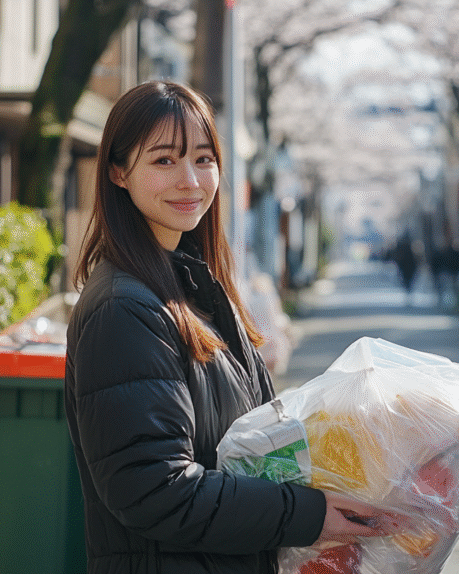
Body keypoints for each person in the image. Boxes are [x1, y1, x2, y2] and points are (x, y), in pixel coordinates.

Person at [64, 80, 387, 574]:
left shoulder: (192, 286)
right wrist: (306, 515)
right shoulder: (124, 309)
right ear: (118, 172)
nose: (190, 180)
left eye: (203, 159)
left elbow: (245, 446)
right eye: (164, 160)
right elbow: (155, 491)